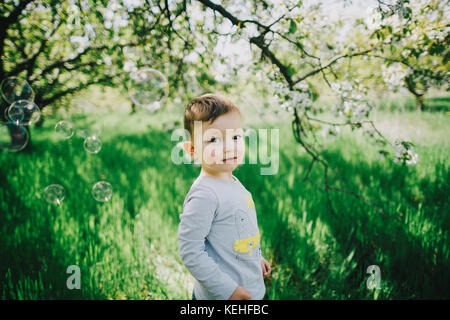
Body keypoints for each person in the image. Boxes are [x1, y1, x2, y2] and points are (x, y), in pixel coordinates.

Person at [178, 93, 271, 300]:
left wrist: (256, 258)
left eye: (235, 136)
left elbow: (240, 229)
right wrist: (227, 290)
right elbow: (190, 250)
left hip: (250, 290)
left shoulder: (232, 182)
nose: (229, 146)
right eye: (214, 139)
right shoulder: (205, 195)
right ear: (192, 150)